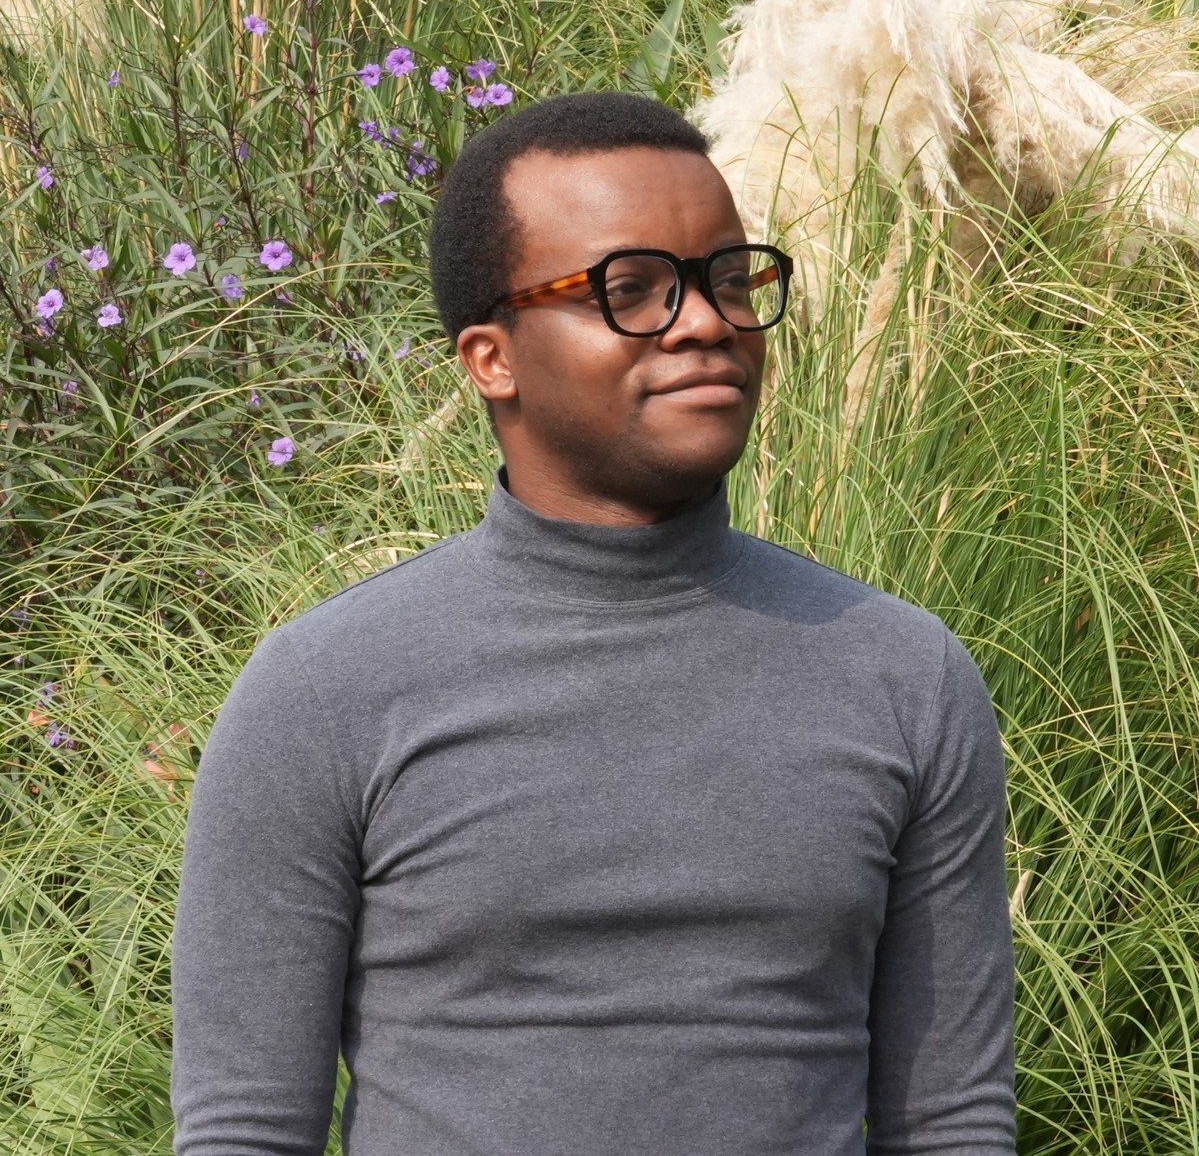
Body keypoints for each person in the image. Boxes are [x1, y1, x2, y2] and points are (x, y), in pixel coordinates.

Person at [171, 91, 1016, 1155]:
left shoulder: (902, 676)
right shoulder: (323, 692)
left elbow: (950, 1121)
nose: (704, 321)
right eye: (631, 290)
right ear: (491, 357)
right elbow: (246, 1128)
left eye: (727, 278)